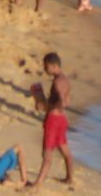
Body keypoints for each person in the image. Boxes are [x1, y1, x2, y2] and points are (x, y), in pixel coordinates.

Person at [28, 53, 73, 190]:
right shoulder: (65, 80)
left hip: (53, 119)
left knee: (47, 153)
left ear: (54, 66)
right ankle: (70, 178)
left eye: (46, 66)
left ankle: (38, 183)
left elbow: (58, 100)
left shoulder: (56, 82)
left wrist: (43, 105)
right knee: (65, 150)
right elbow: (67, 101)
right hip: (62, 119)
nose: (44, 69)